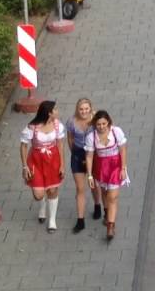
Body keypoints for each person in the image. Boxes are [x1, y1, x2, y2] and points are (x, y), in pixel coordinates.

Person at [18, 99, 67, 233]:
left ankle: (52, 220)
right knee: (38, 195)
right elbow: (23, 146)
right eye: (55, 110)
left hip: (53, 159)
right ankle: (42, 204)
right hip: (36, 160)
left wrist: (62, 164)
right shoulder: (32, 127)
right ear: (49, 113)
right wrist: (24, 166)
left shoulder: (58, 125)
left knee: (52, 190)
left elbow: (60, 144)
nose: (57, 111)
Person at [85, 110, 129, 242]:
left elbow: (123, 149)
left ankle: (110, 226)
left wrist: (123, 168)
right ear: (95, 124)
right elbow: (89, 157)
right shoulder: (91, 137)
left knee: (112, 197)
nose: (102, 126)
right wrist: (89, 176)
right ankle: (106, 213)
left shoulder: (116, 132)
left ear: (108, 122)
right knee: (104, 193)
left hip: (115, 166)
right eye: (99, 124)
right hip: (101, 167)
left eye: (104, 123)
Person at [67, 98, 103, 233]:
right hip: (77, 154)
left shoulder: (95, 119)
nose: (84, 111)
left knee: (93, 183)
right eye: (81, 109)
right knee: (80, 188)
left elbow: (106, 129)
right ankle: (80, 220)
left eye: (86, 109)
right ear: (77, 109)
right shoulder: (71, 121)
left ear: (90, 109)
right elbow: (70, 138)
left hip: (93, 153)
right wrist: (74, 153)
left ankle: (97, 205)